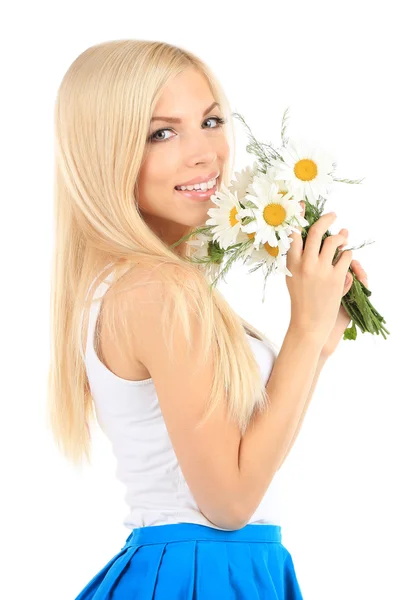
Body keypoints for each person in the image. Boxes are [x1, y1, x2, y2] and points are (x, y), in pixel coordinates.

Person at [47, 39, 363, 599]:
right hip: (203, 573)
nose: (205, 153)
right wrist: (303, 331)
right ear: (106, 152)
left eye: (211, 120)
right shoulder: (156, 290)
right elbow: (228, 502)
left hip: (219, 566)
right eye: (162, 132)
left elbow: (246, 461)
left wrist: (319, 342)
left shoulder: (145, 284)